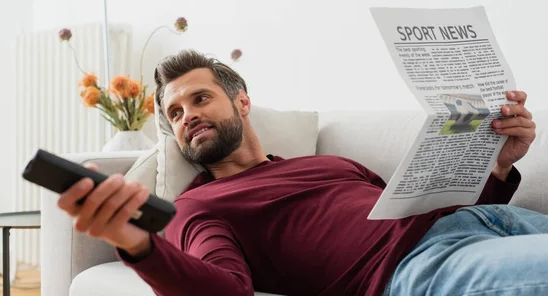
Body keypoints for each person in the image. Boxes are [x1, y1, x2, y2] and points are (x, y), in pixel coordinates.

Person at [57, 50, 545, 296]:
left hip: (484, 226)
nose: (189, 117)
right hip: (413, 271)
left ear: (243, 102)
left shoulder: (331, 165)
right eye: (177, 114)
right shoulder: (198, 206)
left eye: (200, 99)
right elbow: (227, 290)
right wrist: (139, 245)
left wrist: (500, 161)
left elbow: (426, 208)